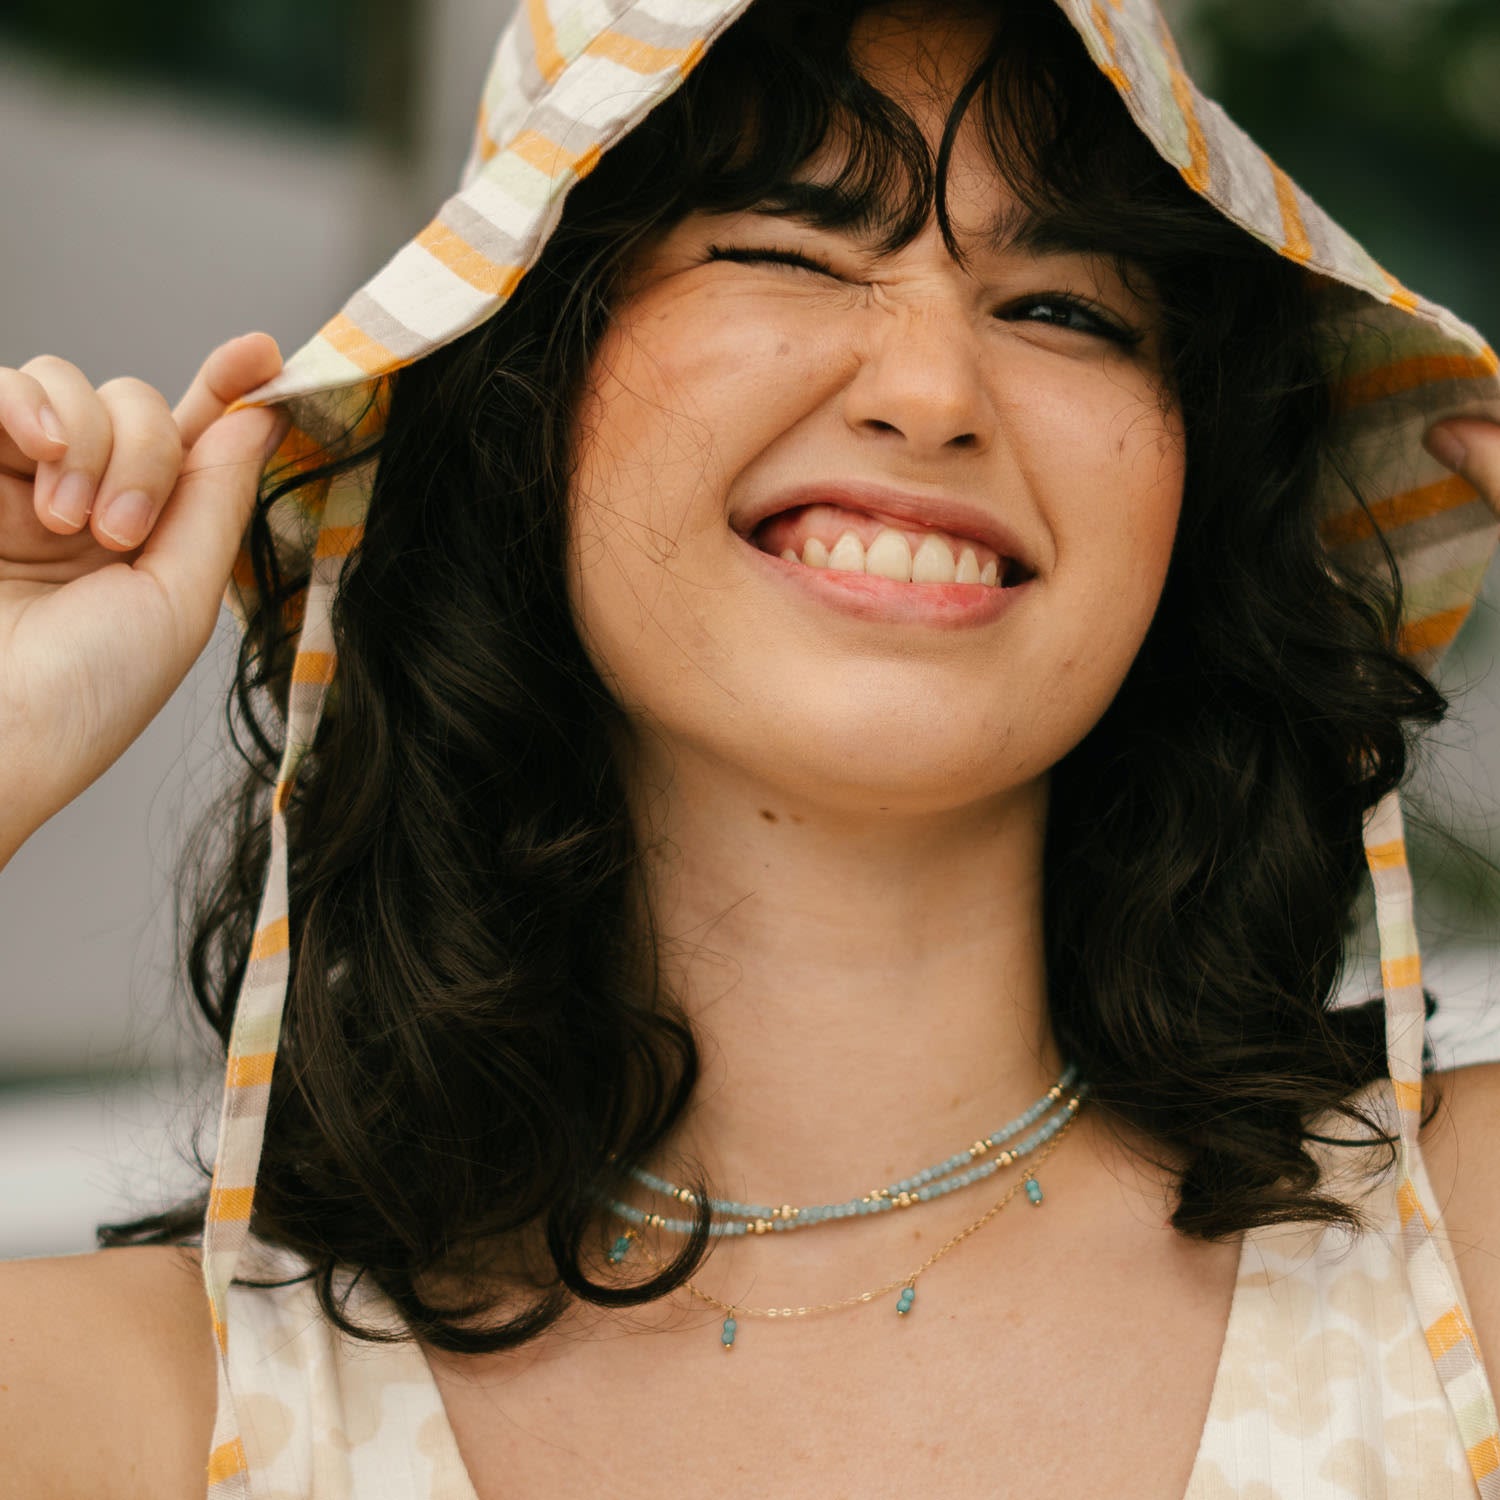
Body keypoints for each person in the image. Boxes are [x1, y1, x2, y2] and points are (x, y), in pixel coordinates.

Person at [1, 0, 1499, 1494]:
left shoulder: (1458, 1257)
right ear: (525, 407)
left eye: (1066, 310)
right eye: (786, 254)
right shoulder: (146, 1409)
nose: (932, 396)